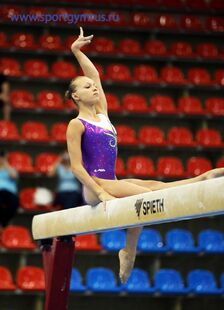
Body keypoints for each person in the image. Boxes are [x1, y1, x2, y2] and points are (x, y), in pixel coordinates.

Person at [65, 27, 224, 283]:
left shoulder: (103, 114)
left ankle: (202, 179)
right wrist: (102, 192)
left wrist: (77, 52)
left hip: (112, 181)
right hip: (94, 186)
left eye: (94, 86)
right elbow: (76, 167)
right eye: (87, 86)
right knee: (148, 196)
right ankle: (129, 251)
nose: (94, 87)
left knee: (154, 186)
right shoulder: (77, 124)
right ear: (76, 96)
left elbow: (94, 73)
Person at [0, 150, 19, 236]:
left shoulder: (10, 168)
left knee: (13, 204)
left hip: (10, 193)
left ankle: (4, 224)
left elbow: (14, 176)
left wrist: (5, 164)